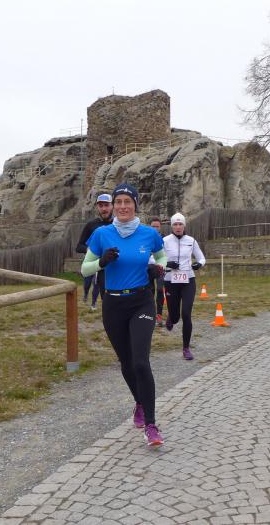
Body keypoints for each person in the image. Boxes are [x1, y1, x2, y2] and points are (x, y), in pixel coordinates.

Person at [82, 184, 168, 446]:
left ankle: (151, 425)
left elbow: (162, 257)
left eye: (127, 202)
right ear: (113, 206)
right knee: (127, 363)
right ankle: (139, 402)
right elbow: (85, 269)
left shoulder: (149, 234)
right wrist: (102, 262)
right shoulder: (101, 234)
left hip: (141, 301)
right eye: (118, 202)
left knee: (141, 362)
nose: (122, 206)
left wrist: (158, 269)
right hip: (113, 304)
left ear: (135, 205)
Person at [163, 212, 206, 360]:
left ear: (184, 225)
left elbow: (201, 258)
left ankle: (186, 348)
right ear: (172, 226)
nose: (178, 227)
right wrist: (167, 263)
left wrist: (198, 264)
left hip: (188, 280)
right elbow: (153, 258)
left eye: (180, 224)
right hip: (170, 280)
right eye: (175, 224)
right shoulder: (165, 241)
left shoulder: (191, 241)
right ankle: (171, 317)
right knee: (176, 318)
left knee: (186, 313)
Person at [76, 194, 114, 310]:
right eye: (100, 206)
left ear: (112, 206)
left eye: (106, 205)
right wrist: (91, 250)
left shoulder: (118, 224)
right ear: (97, 208)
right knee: (105, 300)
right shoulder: (91, 225)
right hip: (99, 266)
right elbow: (79, 246)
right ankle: (88, 297)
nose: (104, 209)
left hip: (117, 267)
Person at [148, 217, 166, 327]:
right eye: (153, 226)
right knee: (150, 291)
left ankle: (159, 315)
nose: (155, 228)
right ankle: (151, 314)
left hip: (160, 267)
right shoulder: (145, 238)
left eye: (157, 226)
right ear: (149, 227)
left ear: (160, 227)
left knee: (160, 289)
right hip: (148, 267)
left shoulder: (164, 239)